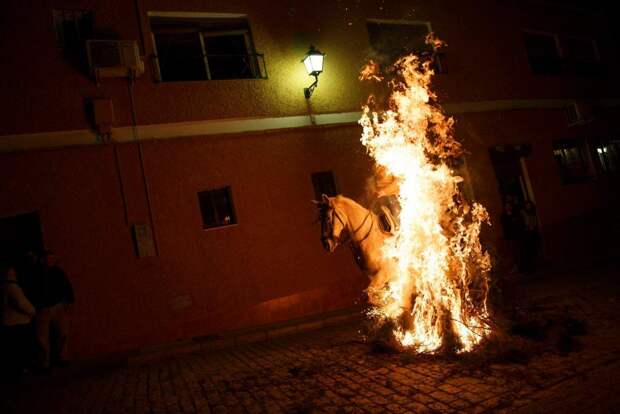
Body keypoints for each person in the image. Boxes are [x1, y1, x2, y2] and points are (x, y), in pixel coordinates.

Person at [34, 251, 74, 371]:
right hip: (42, 308)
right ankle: (44, 363)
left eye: (53, 259)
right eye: (48, 258)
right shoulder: (37, 274)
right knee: (42, 338)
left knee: (63, 333)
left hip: (58, 306)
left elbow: (67, 285)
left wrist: (69, 300)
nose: (51, 261)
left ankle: (62, 358)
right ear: (43, 260)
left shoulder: (58, 272)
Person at [1, 262, 36, 383]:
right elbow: (22, 304)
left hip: (9, 322)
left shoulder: (5, 286)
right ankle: (18, 372)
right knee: (17, 349)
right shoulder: (13, 287)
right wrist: (32, 311)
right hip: (17, 322)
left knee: (12, 349)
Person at [500, 198, 524, 273]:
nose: (508, 207)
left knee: (519, 251)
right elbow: (505, 225)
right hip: (509, 237)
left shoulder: (516, 214)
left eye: (509, 206)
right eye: (506, 206)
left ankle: (521, 266)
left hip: (517, 236)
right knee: (512, 252)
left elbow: (520, 223)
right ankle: (515, 266)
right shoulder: (504, 216)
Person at [519, 200, 541, 274]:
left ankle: (535, 266)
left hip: (534, 233)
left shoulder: (533, 213)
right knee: (528, 251)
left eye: (530, 205)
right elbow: (522, 224)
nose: (529, 206)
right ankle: (529, 268)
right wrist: (527, 228)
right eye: (527, 205)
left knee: (535, 250)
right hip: (527, 234)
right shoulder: (523, 213)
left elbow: (535, 222)